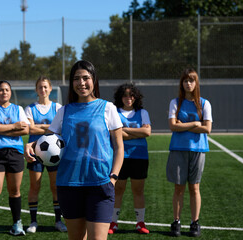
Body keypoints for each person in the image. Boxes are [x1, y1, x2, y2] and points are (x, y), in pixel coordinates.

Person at [24, 60, 124, 240]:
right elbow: (46, 140)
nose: (81, 83)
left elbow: (119, 146)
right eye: (76, 79)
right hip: (69, 185)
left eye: (86, 78)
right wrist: (30, 145)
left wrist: (113, 178)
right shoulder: (64, 111)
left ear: (94, 79)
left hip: (100, 185)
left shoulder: (107, 108)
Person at [167, 69, 212, 237]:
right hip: (178, 149)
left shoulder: (204, 103)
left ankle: (195, 222)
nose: (188, 84)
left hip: (198, 150)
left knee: (194, 188)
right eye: (185, 81)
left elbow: (207, 128)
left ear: (196, 83)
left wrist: (184, 124)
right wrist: (195, 123)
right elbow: (173, 127)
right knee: (178, 188)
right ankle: (176, 221)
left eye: (191, 81)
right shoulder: (175, 103)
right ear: (182, 83)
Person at [0, 80, 30, 239]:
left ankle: (17, 224)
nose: (4, 92)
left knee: (15, 191)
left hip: (16, 154)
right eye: (1, 90)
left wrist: (1, 129)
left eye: (7, 90)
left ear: (10, 92)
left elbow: (26, 130)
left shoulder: (18, 109)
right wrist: (14, 126)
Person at [24, 76, 67, 233]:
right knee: (35, 186)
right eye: (40, 87)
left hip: (55, 153)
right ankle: (33, 222)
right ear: (36, 90)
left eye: (45, 87)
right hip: (35, 153)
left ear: (50, 89)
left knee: (55, 187)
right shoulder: (29, 108)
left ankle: (58, 221)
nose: (43, 90)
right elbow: (31, 129)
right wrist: (49, 127)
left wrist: (39, 126)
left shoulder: (58, 108)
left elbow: (60, 128)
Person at [108, 83, 151, 235]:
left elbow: (147, 132)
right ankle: (113, 223)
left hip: (139, 156)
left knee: (138, 190)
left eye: (131, 95)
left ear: (135, 97)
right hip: (120, 157)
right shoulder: (114, 112)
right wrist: (136, 132)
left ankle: (140, 223)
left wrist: (124, 129)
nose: (128, 98)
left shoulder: (142, 112)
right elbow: (114, 134)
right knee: (118, 190)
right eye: (125, 95)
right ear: (121, 97)